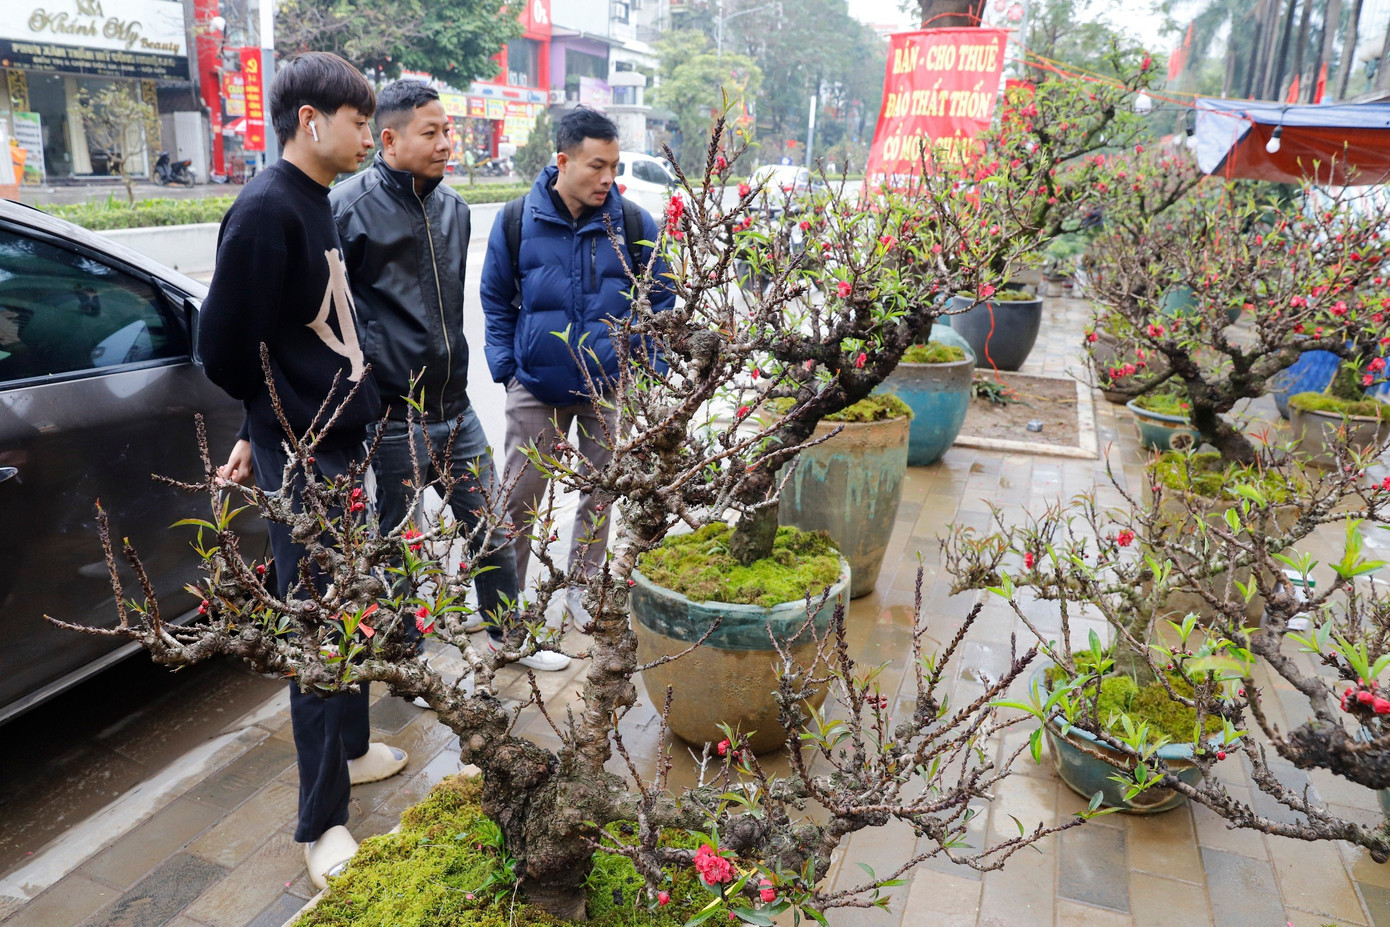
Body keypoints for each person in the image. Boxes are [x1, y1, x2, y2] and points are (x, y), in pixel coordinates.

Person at [199, 52, 403, 891]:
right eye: (358, 122)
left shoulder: (314, 202)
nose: (368, 136)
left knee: (354, 599)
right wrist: (272, 428)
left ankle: (353, 749)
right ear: (310, 120)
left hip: (338, 441)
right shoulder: (264, 212)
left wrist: (258, 424)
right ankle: (321, 823)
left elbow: (281, 337)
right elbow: (221, 347)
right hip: (310, 453)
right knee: (320, 627)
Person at [328, 79, 567, 672]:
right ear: (389, 138)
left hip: (455, 409)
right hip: (390, 416)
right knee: (398, 544)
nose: (445, 144)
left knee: (490, 525)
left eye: (448, 131)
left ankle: (510, 638)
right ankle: (404, 656)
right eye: (430, 133)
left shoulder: (454, 209)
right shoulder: (348, 211)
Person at [479, 108, 674, 619]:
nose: (608, 178)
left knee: (601, 493)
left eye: (613, 165)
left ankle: (582, 590)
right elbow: (495, 300)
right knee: (519, 495)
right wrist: (506, 368)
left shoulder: (632, 221)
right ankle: (506, 601)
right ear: (563, 161)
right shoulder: (517, 218)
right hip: (535, 384)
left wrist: (647, 368)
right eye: (596, 166)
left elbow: (661, 297)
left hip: (607, 384)